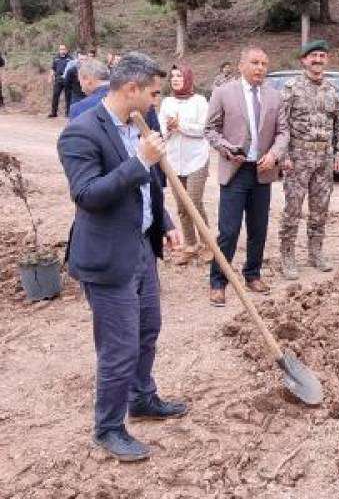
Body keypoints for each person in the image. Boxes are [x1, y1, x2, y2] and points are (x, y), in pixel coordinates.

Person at [56, 52, 188, 463]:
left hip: (140, 250)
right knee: (119, 347)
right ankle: (108, 427)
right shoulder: (80, 133)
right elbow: (88, 195)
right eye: (152, 93)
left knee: (148, 328)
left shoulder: (137, 124)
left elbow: (147, 184)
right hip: (107, 258)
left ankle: (141, 398)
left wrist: (164, 222)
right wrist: (139, 162)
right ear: (130, 89)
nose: (156, 101)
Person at [204, 46, 289, 306]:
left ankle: (252, 274)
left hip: (262, 172)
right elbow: (210, 129)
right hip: (236, 170)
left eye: (264, 63)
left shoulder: (275, 96)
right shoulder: (223, 93)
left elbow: (283, 132)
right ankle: (218, 282)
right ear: (241, 65)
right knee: (228, 231)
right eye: (254, 63)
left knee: (258, 229)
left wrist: (274, 155)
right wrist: (228, 150)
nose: (260, 68)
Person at [278, 40, 339, 280]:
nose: (318, 60)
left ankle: (315, 253)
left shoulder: (333, 90)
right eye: (313, 56)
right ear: (304, 60)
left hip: (324, 158)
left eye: (322, 55)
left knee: (320, 209)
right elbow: (281, 124)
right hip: (298, 157)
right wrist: (283, 155)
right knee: (293, 209)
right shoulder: (291, 88)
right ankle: (287, 256)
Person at [158, 64, 211, 266]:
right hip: (173, 161)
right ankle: (190, 244)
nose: (175, 79)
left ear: (188, 78)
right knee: (181, 206)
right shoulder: (167, 102)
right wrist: (170, 129)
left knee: (194, 202)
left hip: (197, 159)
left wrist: (181, 126)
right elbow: (162, 131)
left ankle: (208, 244)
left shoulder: (199, 101)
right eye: (173, 76)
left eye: (179, 75)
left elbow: (204, 129)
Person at [49, 44, 72, 117]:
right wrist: (50, 76)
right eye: (61, 49)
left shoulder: (70, 58)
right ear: (59, 50)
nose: (62, 51)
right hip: (58, 79)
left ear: (66, 50)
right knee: (55, 95)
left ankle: (68, 113)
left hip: (67, 79)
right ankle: (53, 113)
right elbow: (53, 68)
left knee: (68, 96)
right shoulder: (56, 58)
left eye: (64, 49)